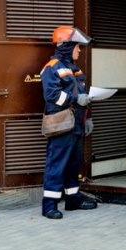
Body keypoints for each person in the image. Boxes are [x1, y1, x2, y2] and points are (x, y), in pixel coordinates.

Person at [40, 26, 99, 219]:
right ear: (66, 46)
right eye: (77, 46)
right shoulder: (52, 67)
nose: (79, 50)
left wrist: (88, 117)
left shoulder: (75, 69)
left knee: (74, 165)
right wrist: (75, 99)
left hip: (76, 124)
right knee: (56, 165)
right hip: (62, 125)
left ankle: (73, 200)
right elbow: (52, 96)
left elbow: (83, 95)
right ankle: (49, 206)